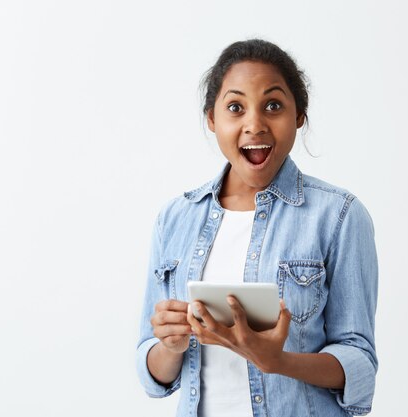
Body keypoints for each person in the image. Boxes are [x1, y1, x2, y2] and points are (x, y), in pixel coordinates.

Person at [136, 38, 379, 417]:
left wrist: (278, 360)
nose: (255, 124)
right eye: (236, 107)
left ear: (299, 114)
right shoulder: (174, 219)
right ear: (212, 118)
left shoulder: (339, 216)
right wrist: (170, 346)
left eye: (273, 105)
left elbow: (359, 363)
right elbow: (152, 373)